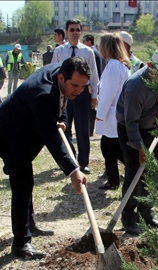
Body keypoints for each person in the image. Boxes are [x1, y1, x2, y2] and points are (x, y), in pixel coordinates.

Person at [0, 57, 89, 259]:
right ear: (61, 77)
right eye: (75, 85)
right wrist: (72, 170)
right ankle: (21, 243)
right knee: (22, 183)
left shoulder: (61, 75)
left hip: (25, 130)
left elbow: (64, 101)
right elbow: (51, 137)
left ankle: (29, 224)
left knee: (27, 182)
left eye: (83, 86)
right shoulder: (43, 94)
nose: (79, 90)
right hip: (8, 136)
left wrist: (63, 121)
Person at [116, 49, 158, 235]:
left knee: (153, 172)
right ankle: (128, 218)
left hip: (152, 128)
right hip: (130, 129)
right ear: (150, 66)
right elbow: (131, 122)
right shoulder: (135, 87)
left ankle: (146, 214)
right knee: (134, 172)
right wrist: (140, 149)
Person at [52, 19, 100, 175]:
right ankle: (70, 160)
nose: (75, 32)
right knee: (64, 128)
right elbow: (52, 71)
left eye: (77, 30)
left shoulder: (88, 52)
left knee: (82, 129)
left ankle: (84, 161)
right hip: (64, 94)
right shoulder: (59, 51)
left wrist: (94, 95)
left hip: (81, 94)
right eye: (72, 29)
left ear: (81, 32)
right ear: (66, 31)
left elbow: (94, 76)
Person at [95, 33, 130, 190]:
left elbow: (109, 93)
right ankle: (113, 179)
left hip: (113, 114)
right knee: (107, 147)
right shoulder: (117, 65)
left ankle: (134, 172)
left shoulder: (114, 66)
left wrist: (100, 114)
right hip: (114, 113)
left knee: (114, 149)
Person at [83, 34, 104, 137]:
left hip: (91, 85)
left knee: (90, 108)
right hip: (95, 83)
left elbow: (93, 71)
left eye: (84, 41)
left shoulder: (92, 52)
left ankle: (89, 130)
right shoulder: (96, 51)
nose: (83, 43)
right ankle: (90, 129)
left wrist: (91, 84)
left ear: (89, 41)